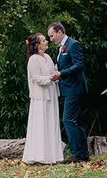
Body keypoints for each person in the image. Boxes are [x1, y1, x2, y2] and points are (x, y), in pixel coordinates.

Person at [47, 22, 89, 162]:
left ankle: (76, 154)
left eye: (52, 35)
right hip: (68, 88)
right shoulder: (61, 48)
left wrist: (61, 74)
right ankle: (83, 155)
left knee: (68, 120)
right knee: (77, 122)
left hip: (74, 88)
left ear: (60, 32)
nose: (51, 39)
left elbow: (79, 65)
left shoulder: (73, 44)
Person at [22, 33, 64, 165]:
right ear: (37, 45)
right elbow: (36, 78)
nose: (47, 42)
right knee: (41, 125)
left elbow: (52, 71)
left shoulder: (48, 57)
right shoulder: (33, 59)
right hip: (40, 97)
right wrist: (50, 78)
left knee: (51, 123)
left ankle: (52, 155)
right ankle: (39, 156)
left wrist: (56, 75)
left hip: (51, 95)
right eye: (44, 40)